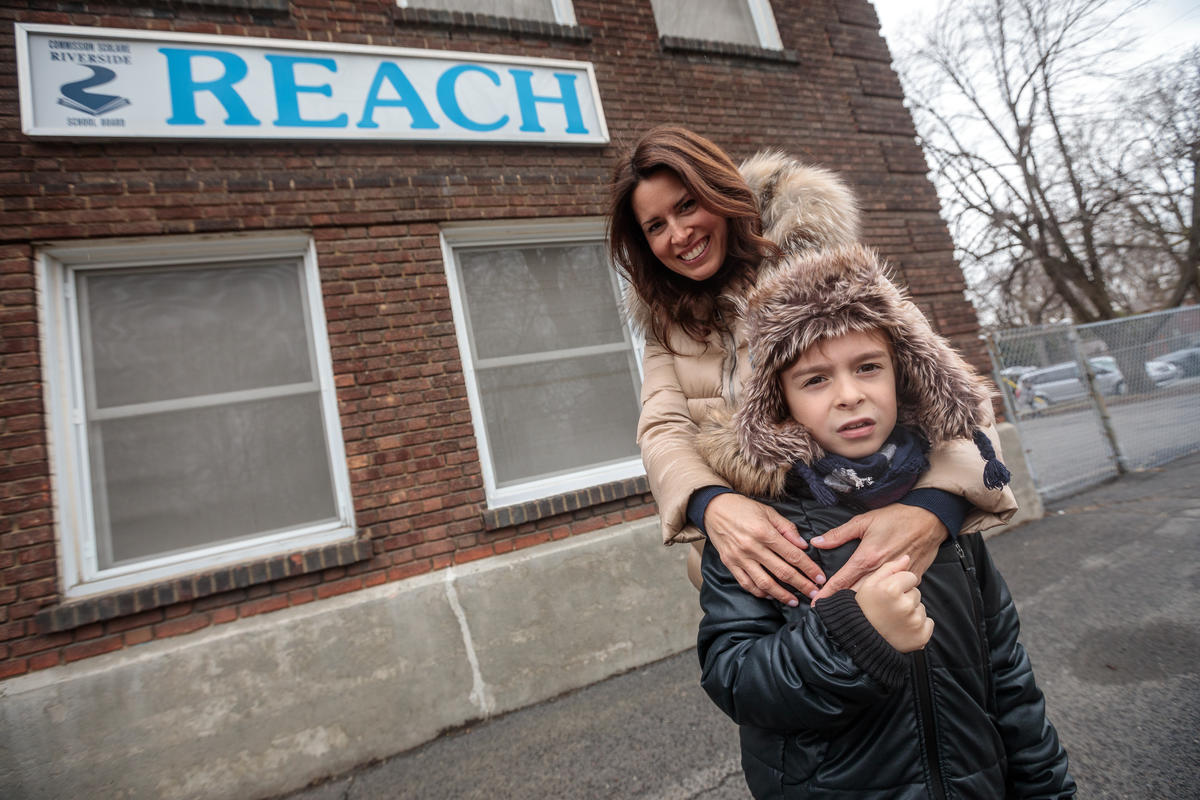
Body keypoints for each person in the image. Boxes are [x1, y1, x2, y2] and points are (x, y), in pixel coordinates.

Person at [695, 243, 1075, 798]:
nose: (850, 395)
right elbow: (737, 681)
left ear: (903, 375)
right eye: (815, 380)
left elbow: (1008, 675)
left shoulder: (942, 513)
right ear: (780, 401)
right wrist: (857, 636)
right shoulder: (763, 529)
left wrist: (1046, 788)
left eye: (868, 367)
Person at [608, 126, 1017, 606]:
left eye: (686, 206)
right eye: (655, 226)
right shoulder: (668, 324)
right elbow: (663, 429)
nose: (679, 235)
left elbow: (949, 392)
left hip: (900, 548)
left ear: (719, 195)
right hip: (766, 574)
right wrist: (709, 503)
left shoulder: (825, 271)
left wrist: (934, 508)